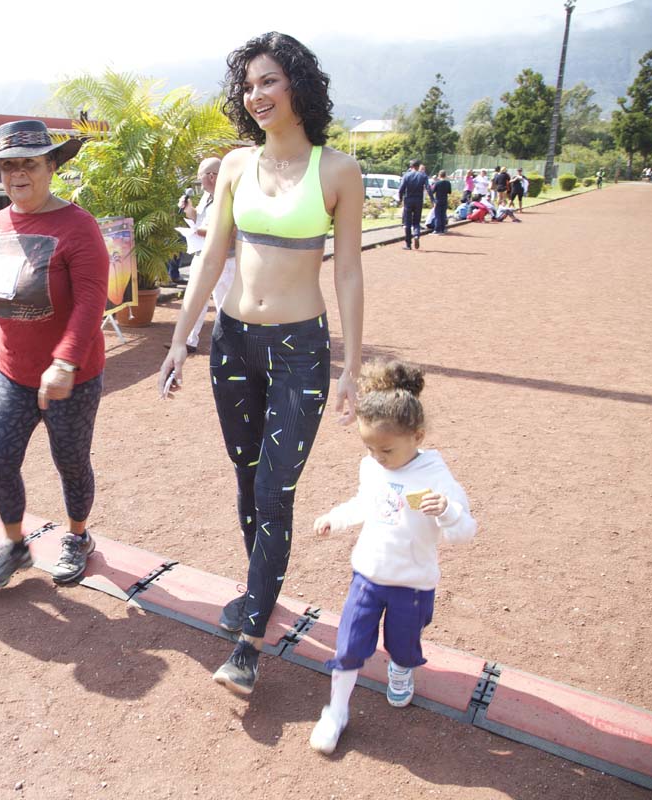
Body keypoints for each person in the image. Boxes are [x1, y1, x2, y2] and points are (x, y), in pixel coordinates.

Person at [158, 32, 364, 695]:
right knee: (248, 481)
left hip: (301, 350)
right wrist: (178, 340)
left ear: (298, 85)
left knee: (277, 490)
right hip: (234, 345)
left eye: (269, 81)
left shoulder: (337, 171)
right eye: (248, 85)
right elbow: (212, 256)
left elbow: (352, 276)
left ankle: (249, 642)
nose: (257, 95)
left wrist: (351, 368)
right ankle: (260, 591)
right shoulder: (237, 165)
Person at [0, 120, 108, 590]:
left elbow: (90, 301)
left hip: (73, 375)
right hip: (12, 370)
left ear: (51, 166)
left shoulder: (78, 226)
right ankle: (15, 545)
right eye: (8, 165)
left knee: (70, 460)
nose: (17, 173)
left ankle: (78, 537)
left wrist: (65, 362)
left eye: (28, 163)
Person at [307, 360, 477, 754]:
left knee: (402, 645)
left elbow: (464, 532)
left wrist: (447, 511)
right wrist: (336, 517)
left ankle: (401, 668)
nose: (377, 456)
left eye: (386, 448)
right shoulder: (372, 466)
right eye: (369, 447)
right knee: (348, 646)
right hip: (368, 575)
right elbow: (366, 503)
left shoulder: (436, 476)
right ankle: (336, 711)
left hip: (412, 584)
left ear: (416, 436)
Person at [178, 156, 235, 352]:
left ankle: (230, 347)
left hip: (224, 260)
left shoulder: (227, 196)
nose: (199, 180)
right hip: (201, 254)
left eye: (200, 176)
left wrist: (197, 231)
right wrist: (189, 210)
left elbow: (227, 229)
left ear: (211, 176)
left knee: (223, 303)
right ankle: (188, 341)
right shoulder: (207, 196)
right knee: (194, 298)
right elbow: (199, 218)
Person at [397, 159, 430, 249]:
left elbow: (401, 189)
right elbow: (428, 188)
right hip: (418, 200)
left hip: (408, 200)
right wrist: (432, 199)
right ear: (419, 166)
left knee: (407, 223)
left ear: (411, 167)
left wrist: (400, 199)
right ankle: (416, 235)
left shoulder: (406, 176)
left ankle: (408, 244)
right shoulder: (423, 176)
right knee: (416, 221)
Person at [429, 170, 452, 234]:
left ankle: (437, 229)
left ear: (439, 175)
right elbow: (449, 192)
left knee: (437, 215)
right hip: (445, 199)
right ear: (445, 175)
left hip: (438, 200)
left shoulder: (437, 183)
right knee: (443, 214)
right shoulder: (448, 183)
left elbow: (432, 191)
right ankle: (443, 228)